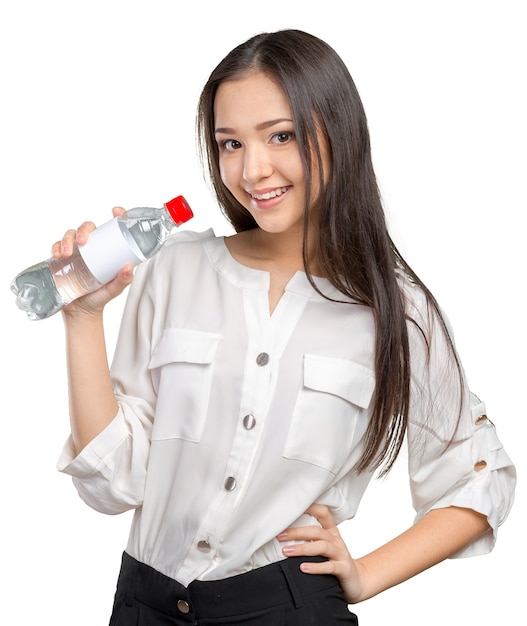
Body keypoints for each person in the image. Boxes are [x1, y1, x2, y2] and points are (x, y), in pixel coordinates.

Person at [55, 29, 515, 625]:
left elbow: (477, 478)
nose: (253, 169)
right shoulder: (174, 268)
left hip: (288, 608)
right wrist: (83, 316)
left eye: (282, 136)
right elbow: (113, 483)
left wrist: (368, 574)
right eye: (229, 144)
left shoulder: (395, 311)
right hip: (145, 604)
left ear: (338, 134)